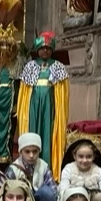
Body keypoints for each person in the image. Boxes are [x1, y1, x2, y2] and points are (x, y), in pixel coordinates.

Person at [16, 31, 71, 177]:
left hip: (50, 106)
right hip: (33, 106)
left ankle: (48, 168)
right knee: (33, 131)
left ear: (52, 50)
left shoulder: (58, 66)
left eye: (48, 48)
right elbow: (24, 92)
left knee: (48, 134)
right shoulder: (30, 66)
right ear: (37, 50)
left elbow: (63, 92)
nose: (45, 51)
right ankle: (29, 168)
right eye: (42, 48)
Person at [0, 23, 23, 163]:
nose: (4, 48)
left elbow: (20, 87)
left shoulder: (18, 64)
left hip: (10, 103)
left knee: (8, 130)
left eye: (7, 45)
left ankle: (6, 158)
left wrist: (17, 105)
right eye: (1, 45)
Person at [6, 133, 58, 201]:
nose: (31, 155)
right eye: (27, 151)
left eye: (35, 151)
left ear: (39, 151)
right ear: (21, 152)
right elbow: (7, 192)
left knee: (46, 192)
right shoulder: (13, 169)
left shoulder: (43, 166)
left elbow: (53, 190)